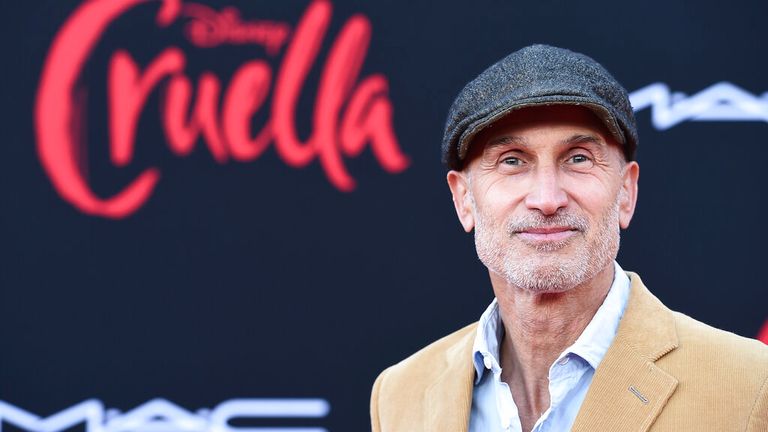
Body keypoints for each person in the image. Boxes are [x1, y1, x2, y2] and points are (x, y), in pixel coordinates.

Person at [369, 44, 768, 432]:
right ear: (464, 200)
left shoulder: (750, 384)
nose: (547, 199)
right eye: (512, 161)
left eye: (578, 158)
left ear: (626, 192)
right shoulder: (400, 393)